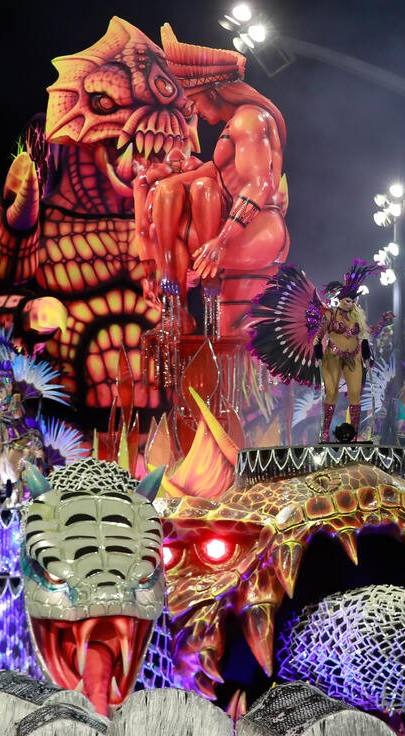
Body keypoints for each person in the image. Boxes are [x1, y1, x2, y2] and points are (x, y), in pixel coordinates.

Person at [141, 24, 289, 340]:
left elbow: (258, 185)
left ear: (211, 90)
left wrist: (220, 242)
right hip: (238, 230)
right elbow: (216, 171)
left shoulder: (249, 120)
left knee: (162, 227)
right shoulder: (236, 123)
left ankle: (184, 302)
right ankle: (178, 307)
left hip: (256, 231)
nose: (191, 108)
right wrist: (169, 183)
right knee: (172, 194)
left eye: (192, 98)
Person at [310, 269, 392, 442]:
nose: (351, 304)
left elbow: (370, 333)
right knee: (331, 394)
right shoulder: (329, 314)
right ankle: (325, 433)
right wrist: (317, 351)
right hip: (332, 356)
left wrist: (383, 321)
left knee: (355, 394)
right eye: (348, 300)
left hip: (353, 358)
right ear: (340, 300)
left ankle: (353, 434)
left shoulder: (358, 317)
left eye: (353, 301)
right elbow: (318, 337)